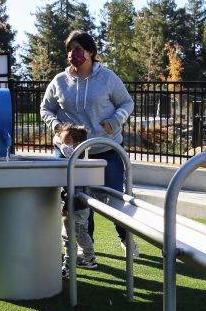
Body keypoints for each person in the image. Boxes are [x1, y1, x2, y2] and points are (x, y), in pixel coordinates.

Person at [40, 30, 136, 256]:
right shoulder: (60, 81)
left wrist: (115, 119)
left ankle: (126, 238)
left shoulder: (108, 78)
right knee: (76, 200)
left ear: (91, 52)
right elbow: (46, 108)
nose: (74, 54)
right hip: (70, 153)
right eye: (70, 50)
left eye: (78, 49)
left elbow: (127, 103)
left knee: (114, 198)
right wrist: (56, 126)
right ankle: (86, 246)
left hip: (106, 150)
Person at [56, 124, 97, 275]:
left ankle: (69, 265)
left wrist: (66, 206)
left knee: (70, 236)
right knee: (80, 233)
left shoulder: (76, 164)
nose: (63, 146)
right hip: (79, 206)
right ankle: (89, 258)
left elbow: (73, 190)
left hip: (76, 206)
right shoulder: (78, 161)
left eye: (67, 142)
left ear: (77, 145)